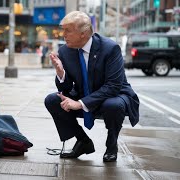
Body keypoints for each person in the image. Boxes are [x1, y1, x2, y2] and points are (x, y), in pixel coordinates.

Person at [44, 11, 139, 162]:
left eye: (68, 30)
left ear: (83, 33)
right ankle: (83, 141)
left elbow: (113, 86)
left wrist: (80, 104)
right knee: (52, 100)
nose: (63, 35)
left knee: (113, 105)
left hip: (113, 95)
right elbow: (66, 88)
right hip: (85, 93)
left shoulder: (110, 48)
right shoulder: (65, 51)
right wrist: (61, 73)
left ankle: (111, 145)